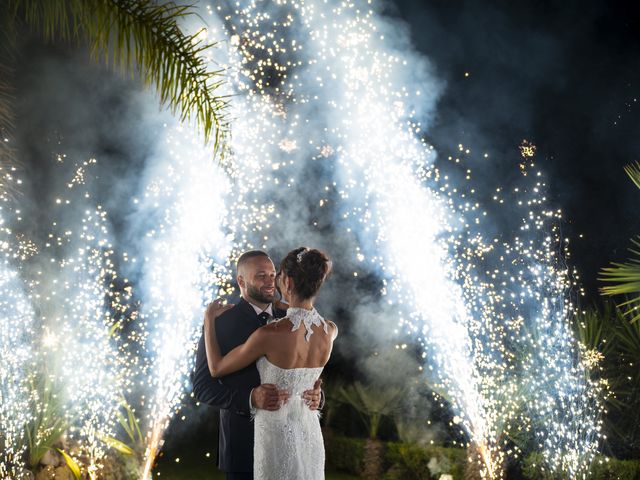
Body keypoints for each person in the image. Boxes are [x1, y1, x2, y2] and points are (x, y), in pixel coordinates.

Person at [204, 247, 338, 480]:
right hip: (247, 447)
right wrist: (250, 398)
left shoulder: (269, 332)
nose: (270, 281)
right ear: (241, 281)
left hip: (283, 434)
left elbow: (218, 367)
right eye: (261, 275)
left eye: (273, 274)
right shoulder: (329, 330)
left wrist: (319, 397)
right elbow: (204, 385)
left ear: (285, 280)